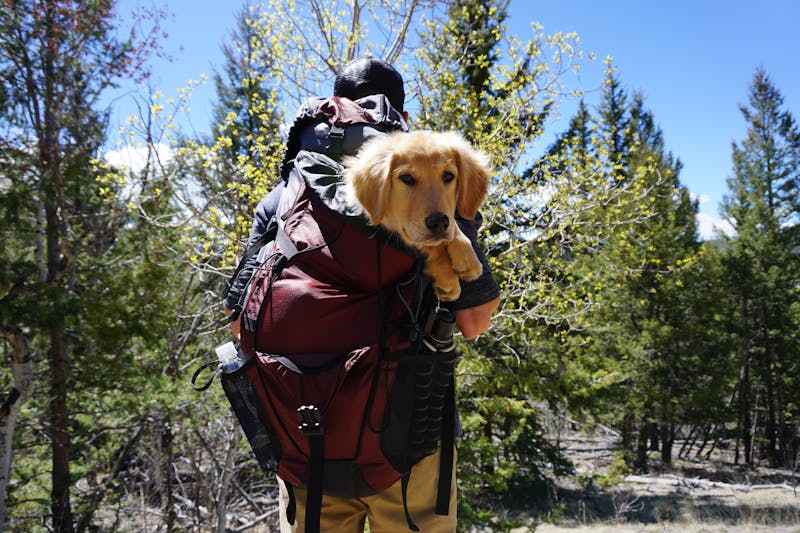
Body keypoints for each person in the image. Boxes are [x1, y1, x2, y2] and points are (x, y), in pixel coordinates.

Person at [225, 58, 500, 533]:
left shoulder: (284, 197)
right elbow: (475, 323)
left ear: (334, 109)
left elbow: (238, 320)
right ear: (402, 118)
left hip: (308, 437)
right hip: (411, 436)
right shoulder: (436, 187)